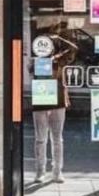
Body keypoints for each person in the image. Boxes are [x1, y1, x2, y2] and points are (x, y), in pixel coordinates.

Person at [32, 33, 76, 184]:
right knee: (40, 139)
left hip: (58, 101)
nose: (45, 47)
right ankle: (40, 171)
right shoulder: (35, 61)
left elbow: (74, 48)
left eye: (48, 44)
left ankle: (57, 171)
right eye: (42, 44)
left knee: (57, 138)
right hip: (41, 100)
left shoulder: (60, 60)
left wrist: (58, 38)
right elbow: (30, 71)